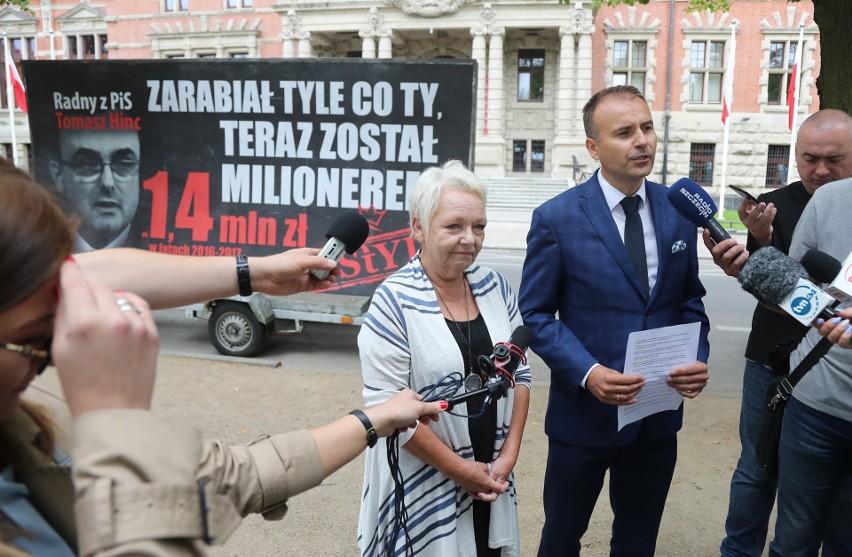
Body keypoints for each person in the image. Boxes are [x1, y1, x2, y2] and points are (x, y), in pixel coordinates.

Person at [0, 162, 447, 555]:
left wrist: (253, 272)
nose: (52, 358)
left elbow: (232, 477)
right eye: (30, 343)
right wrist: (118, 422)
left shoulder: (28, 424)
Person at [519, 85, 710, 557]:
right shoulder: (556, 218)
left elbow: (690, 299)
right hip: (583, 418)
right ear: (593, 147)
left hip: (656, 418)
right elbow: (537, 314)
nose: (642, 140)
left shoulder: (677, 210)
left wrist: (696, 357)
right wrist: (587, 373)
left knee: (638, 541)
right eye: (624, 132)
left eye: (646, 127)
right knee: (561, 538)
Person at [356, 160, 531, 557]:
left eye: (479, 226)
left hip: (493, 476)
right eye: (454, 226)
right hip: (427, 482)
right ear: (417, 227)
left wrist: (508, 455)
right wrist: (463, 471)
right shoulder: (393, 299)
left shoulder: (494, 286)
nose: (470, 239)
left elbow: (523, 375)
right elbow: (387, 412)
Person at [701, 109, 852, 557]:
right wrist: (757, 253)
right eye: (809, 159)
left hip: (822, 369)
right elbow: (788, 288)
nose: (820, 170)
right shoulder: (781, 203)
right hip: (787, 366)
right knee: (759, 469)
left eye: (835, 159)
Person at [767, 177, 852, 556]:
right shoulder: (831, 199)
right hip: (814, 404)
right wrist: (757, 262)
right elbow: (794, 285)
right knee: (794, 538)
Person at [48, 127, 142, 252]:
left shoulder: (161, 252)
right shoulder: (43, 248)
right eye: (88, 165)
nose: (107, 183)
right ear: (58, 176)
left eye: (123, 164)